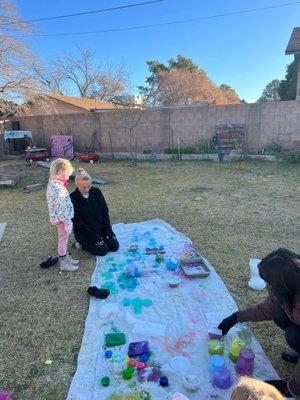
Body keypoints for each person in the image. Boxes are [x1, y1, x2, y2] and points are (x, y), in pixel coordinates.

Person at [218, 248, 300, 397]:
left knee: (294, 335)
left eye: (268, 281)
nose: (267, 285)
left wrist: (292, 387)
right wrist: (236, 317)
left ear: (282, 282)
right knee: (278, 312)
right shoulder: (287, 288)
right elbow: (265, 309)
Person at [70, 168, 119, 256]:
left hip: (100, 229)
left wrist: (108, 231)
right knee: (102, 250)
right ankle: (80, 244)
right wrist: (94, 237)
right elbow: (78, 222)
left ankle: (102, 239)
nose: (87, 190)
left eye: (89, 186)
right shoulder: (72, 198)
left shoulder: (96, 192)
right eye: (83, 187)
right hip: (85, 233)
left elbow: (104, 212)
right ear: (77, 184)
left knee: (114, 246)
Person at [46, 158, 79, 272]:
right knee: (63, 239)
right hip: (62, 219)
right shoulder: (58, 188)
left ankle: (64, 256)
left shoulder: (54, 183)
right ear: (59, 173)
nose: (68, 177)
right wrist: (67, 221)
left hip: (59, 218)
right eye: (66, 174)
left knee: (63, 239)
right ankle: (63, 262)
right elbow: (61, 207)